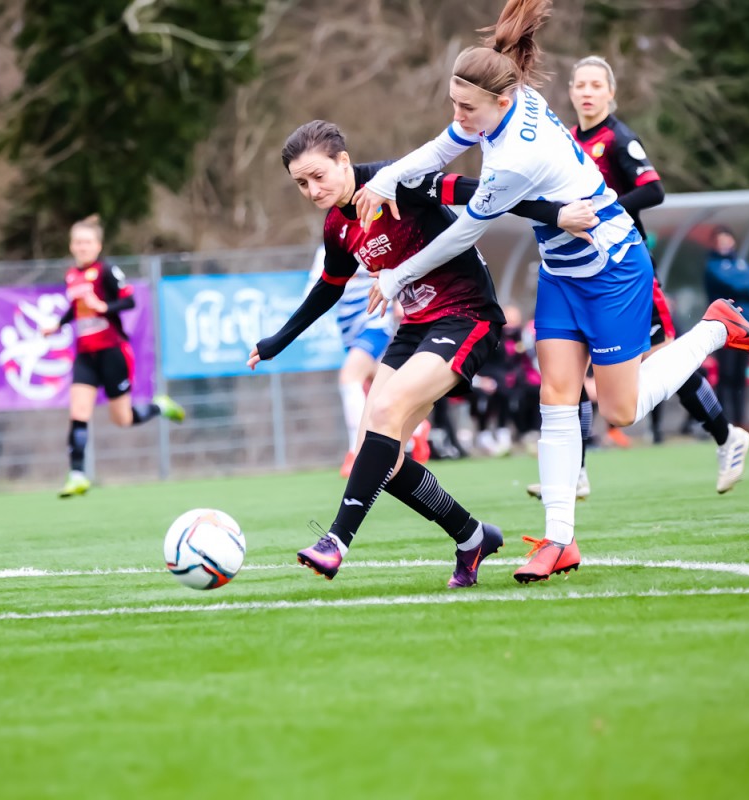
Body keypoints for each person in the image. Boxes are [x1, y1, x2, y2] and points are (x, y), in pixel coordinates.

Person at [352, 0, 749, 584]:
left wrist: (396, 275)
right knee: (556, 395)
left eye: (466, 106)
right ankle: (559, 541)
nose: (458, 114)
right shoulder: (504, 102)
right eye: (454, 102)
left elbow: (464, 232)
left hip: (612, 267)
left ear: (501, 101)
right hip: (560, 269)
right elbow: (442, 145)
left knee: (620, 411)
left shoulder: (515, 159)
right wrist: (383, 179)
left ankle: (715, 328)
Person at [248, 119, 595, 588]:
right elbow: (329, 286)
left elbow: (481, 192)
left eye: (318, 176)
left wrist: (555, 214)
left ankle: (335, 542)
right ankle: (471, 535)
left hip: (467, 316)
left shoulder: (398, 181)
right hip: (415, 327)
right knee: (378, 456)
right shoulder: (337, 226)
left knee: (386, 413)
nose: (312, 190)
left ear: (343, 161)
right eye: (301, 183)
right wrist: (277, 341)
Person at [523, 55, 749, 496]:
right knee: (572, 367)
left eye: (596, 85)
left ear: (611, 93)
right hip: (582, 275)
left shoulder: (619, 139)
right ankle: (576, 472)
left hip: (625, 274)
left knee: (662, 360)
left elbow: (654, 189)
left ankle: (728, 437)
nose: (587, 92)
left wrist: (604, 212)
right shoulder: (568, 140)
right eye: (580, 85)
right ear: (570, 92)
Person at [43, 215, 185, 497]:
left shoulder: (106, 271)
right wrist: (58, 324)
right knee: (78, 413)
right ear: (71, 246)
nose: (82, 247)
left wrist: (103, 306)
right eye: (78, 242)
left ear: (97, 246)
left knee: (122, 419)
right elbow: (76, 308)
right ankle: (77, 475)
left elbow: (129, 300)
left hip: (112, 352)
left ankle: (159, 406)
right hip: (86, 355)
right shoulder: (72, 275)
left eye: (87, 242)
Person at [304, 245, 408, 477]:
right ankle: (419, 431)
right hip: (349, 329)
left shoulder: (373, 243)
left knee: (349, 377)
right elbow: (312, 290)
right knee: (382, 387)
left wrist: (399, 302)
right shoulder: (326, 251)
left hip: (375, 324)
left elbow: (396, 272)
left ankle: (357, 451)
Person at [705, 225, 749, 431]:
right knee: (726, 374)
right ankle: (725, 422)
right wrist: (745, 284)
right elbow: (735, 285)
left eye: (726, 239)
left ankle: (741, 420)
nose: (723, 244)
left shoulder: (741, 263)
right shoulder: (712, 266)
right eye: (719, 240)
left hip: (747, 329)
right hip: (726, 327)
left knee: (740, 374)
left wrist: (745, 284)